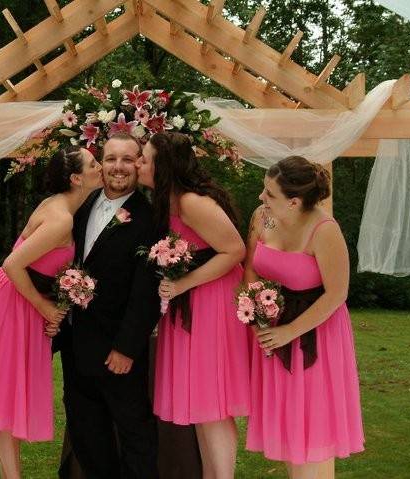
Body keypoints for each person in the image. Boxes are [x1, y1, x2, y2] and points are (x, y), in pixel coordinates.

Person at [0, 146, 102, 479]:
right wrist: (43, 305)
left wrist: (56, 302)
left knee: (11, 392)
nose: (100, 166)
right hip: (12, 300)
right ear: (76, 178)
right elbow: (13, 263)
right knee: (3, 392)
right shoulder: (60, 217)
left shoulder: (64, 209)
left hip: (25, 301)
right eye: (93, 163)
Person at [135, 131, 250, 478]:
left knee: (212, 403)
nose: (139, 163)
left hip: (211, 303)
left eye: (145, 157)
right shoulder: (170, 201)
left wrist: (182, 283)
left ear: (162, 165)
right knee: (201, 403)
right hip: (192, 302)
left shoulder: (191, 203)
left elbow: (235, 250)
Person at [243, 156, 364, 479]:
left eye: (269, 193)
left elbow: (337, 293)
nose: (261, 198)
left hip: (315, 334)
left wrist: (290, 332)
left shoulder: (325, 231)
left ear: (294, 202)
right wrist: (255, 310)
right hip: (274, 326)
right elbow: (252, 266)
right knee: (288, 431)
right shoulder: (263, 218)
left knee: (313, 429)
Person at [57, 133, 160, 478]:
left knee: (135, 433)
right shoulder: (79, 205)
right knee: (87, 433)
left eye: (127, 159)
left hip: (119, 351)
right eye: (111, 158)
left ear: (138, 164)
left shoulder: (149, 218)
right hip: (77, 345)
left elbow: (147, 290)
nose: (118, 167)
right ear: (100, 163)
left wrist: (127, 347)